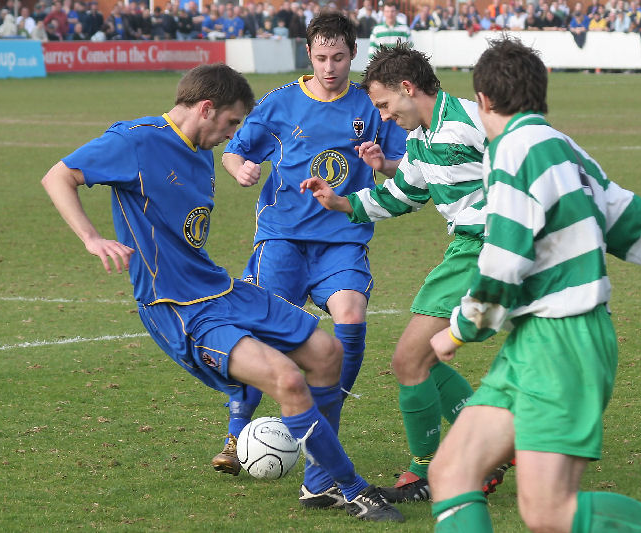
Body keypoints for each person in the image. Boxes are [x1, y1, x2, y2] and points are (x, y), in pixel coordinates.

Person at [423, 37, 641, 533]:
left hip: (561, 340)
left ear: (483, 101)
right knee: (452, 471)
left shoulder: (513, 152)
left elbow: (503, 265)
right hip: (538, 342)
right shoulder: (564, 149)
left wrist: (458, 330)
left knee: (549, 511)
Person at [40, 62, 404, 524]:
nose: (232, 135)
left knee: (326, 351)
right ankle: (348, 489)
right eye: (231, 123)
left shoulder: (199, 151)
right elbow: (59, 175)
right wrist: (93, 238)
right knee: (288, 380)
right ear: (206, 108)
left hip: (219, 288)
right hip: (176, 307)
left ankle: (316, 485)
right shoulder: (137, 140)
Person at [301, 43, 513, 503]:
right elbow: (401, 196)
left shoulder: (471, 122)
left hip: (487, 248)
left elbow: (520, 170)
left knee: (408, 360)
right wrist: (341, 202)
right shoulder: (421, 139)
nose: (384, 116)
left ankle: (427, 471)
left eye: (383, 105)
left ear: (408, 88)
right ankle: (494, 444)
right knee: (423, 358)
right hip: (466, 249)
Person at [217, 12, 406, 493]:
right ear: (309, 54)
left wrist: (383, 163)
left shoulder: (371, 105)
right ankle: (235, 435)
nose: (329, 67)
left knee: (352, 313)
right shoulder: (279, 103)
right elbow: (235, 151)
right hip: (281, 238)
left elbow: (403, 164)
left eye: (338, 57)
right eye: (321, 57)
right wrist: (240, 170)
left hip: (342, 237)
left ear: (353, 54)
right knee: (261, 333)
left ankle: (327, 427)